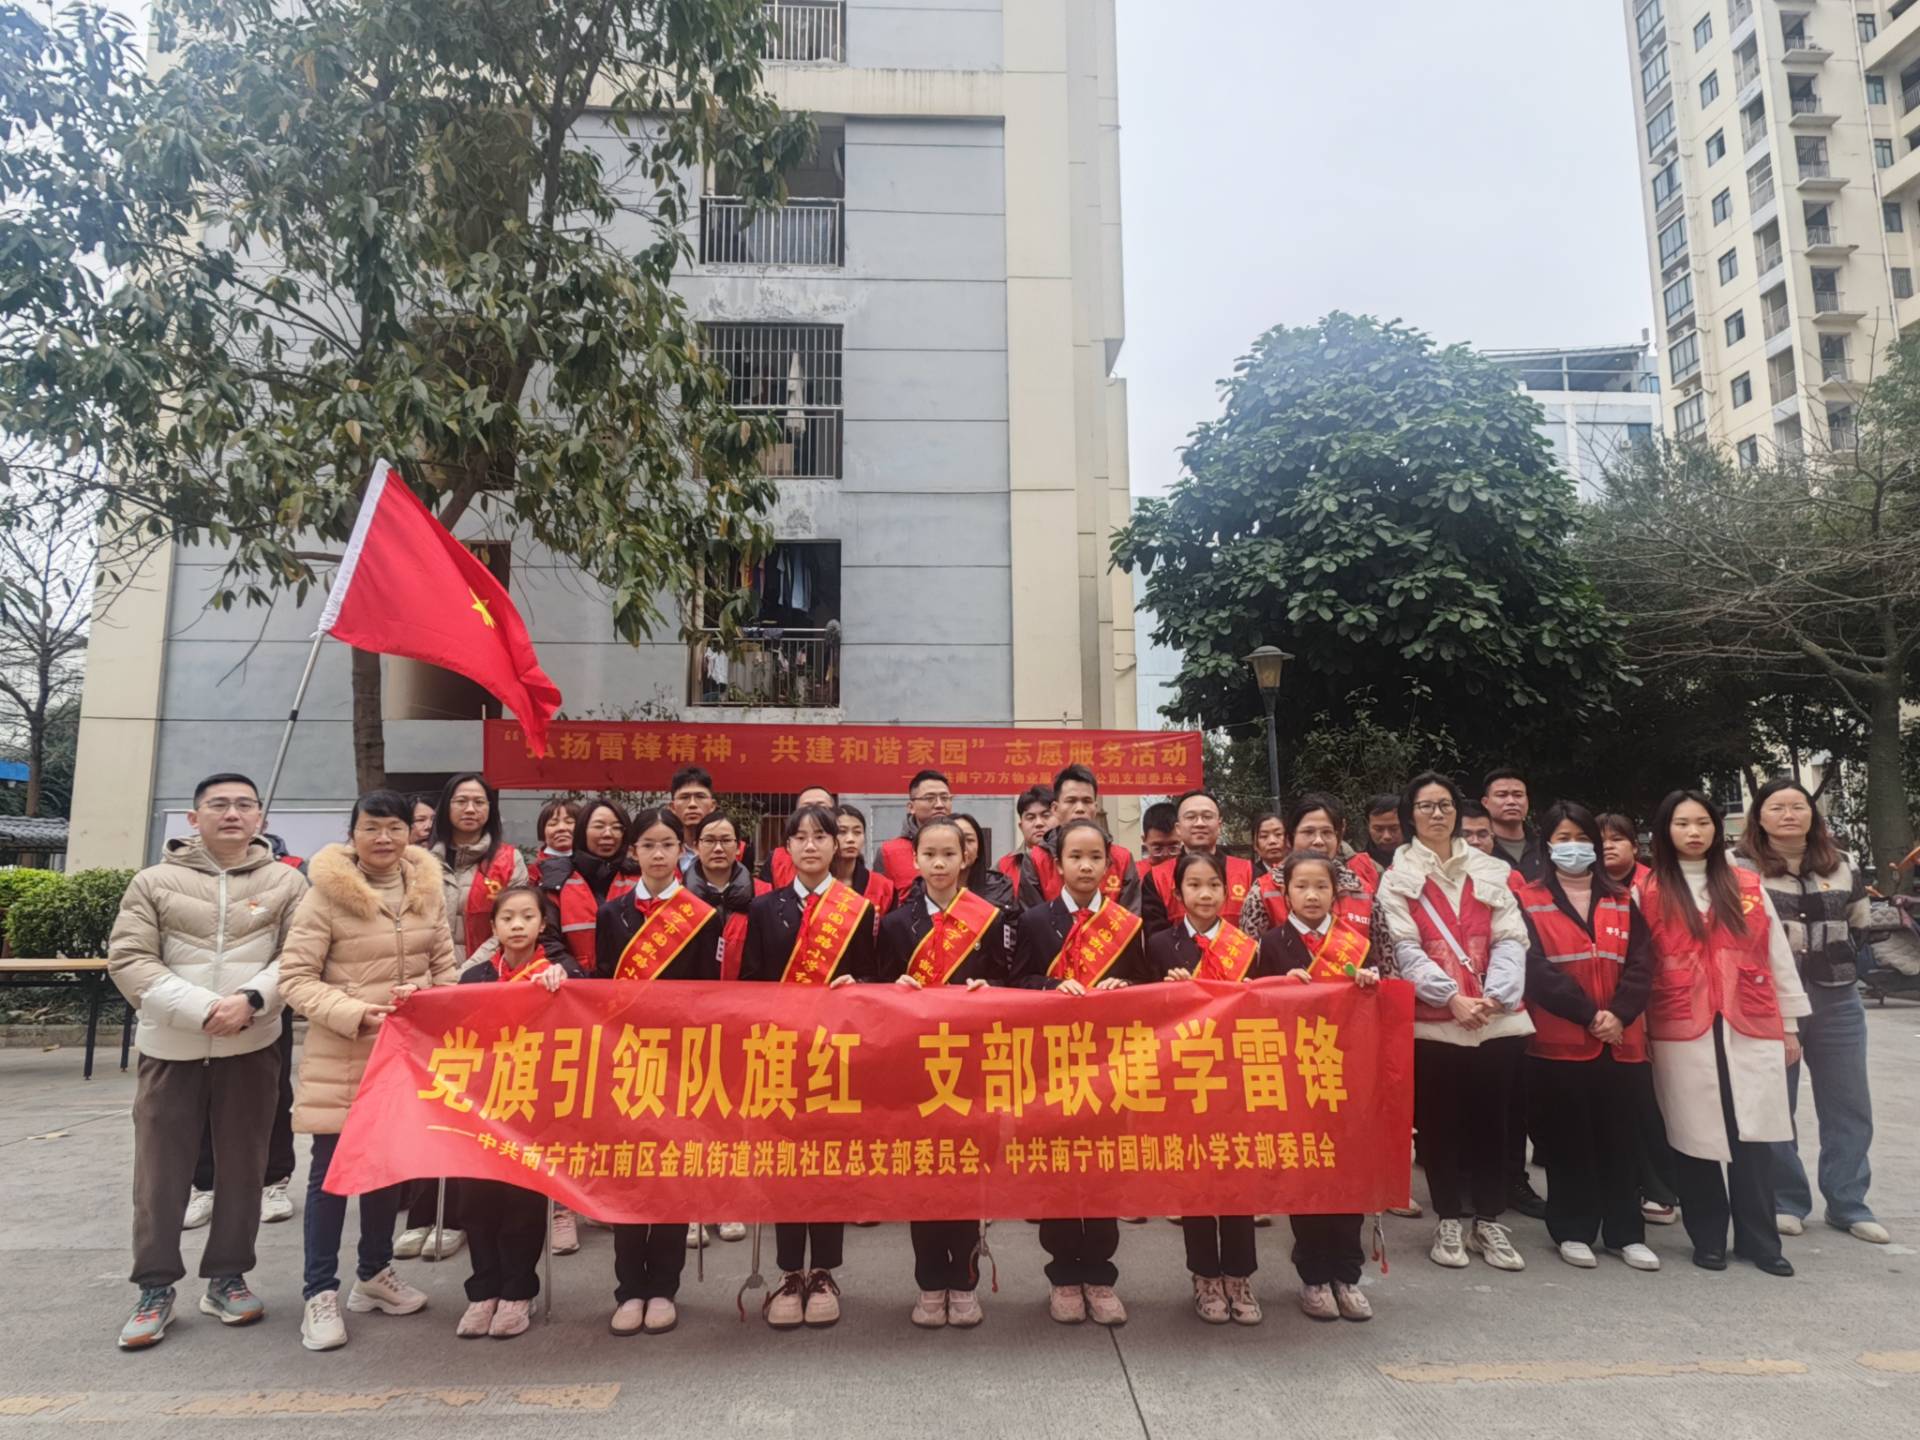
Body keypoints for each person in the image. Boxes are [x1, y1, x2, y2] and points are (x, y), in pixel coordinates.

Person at [107, 772, 310, 1350]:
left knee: (244, 1168)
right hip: (171, 1048)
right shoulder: (154, 882)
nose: (233, 814)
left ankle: (228, 1278)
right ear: (194, 819)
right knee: (160, 1173)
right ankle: (154, 1286)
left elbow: (298, 956)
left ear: (260, 818)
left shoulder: (286, 882)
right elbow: (130, 959)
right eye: (218, 805)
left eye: (245, 805)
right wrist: (201, 1009)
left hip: (251, 1044)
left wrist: (250, 1000)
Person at [279, 790, 456, 1351]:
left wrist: (426, 999)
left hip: (406, 1057)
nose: (384, 838)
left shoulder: (426, 892)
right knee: (332, 1176)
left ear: (411, 832)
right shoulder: (324, 896)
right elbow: (295, 979)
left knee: (388, 1168)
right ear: (353, 833)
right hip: (345, 1053)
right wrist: (354, 1012)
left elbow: (446, 970)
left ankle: (374, 1275)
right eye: (371, 828)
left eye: (394, 828)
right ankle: (318, 1292)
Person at [1641, 790, 1808, 1276]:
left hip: (1748, 1020)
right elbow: (1641, 965)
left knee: (1753, 1135)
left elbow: (1777, 956)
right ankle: (1708, 1237)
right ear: (1665, 831)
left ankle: (1761, 1241)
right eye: (1681, 824)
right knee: (1693, 1135)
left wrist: (1790, 1026)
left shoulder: (1747, 885)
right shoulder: (1648, 890)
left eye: (1702, 823)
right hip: (1680, 1024)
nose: (1693, 832)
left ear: (1717, 829)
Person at [1376, 771, 1534, 1274]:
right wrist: (1450, 999)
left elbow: (1512, 937)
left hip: (1496, 1020)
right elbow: (1402, 948)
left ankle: (1488, 1220)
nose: (1437, 814)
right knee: (1440, 1127)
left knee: (1494, 1124)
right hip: (1434, 1024)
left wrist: (1495, 996)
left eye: (1444, 805)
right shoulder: (1396, 877)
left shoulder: (1490, 869)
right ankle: (1448, 1218)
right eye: (1426, 806)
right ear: (1411, 815)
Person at [740, 804, 879, 1330]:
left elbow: (873, 978)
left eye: (821, 836)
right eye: (799, 837)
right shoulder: (763, 908)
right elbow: (750, 982)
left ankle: (822, 1271)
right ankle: (787, 1272)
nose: (811, 845)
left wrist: (857, 987)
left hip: (835, 1055)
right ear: (786, 848)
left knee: (827, 1161)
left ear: (836, 844)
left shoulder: (857, 909)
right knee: (784, 1163)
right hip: (780, 1053)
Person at [1009, 817, 1149, 1327]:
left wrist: (1124, 990)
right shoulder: (1034, 921)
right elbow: (1016, 983)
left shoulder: (1126, 925)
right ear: (1057, 864)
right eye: (1075, 857)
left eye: (1095, 858)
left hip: (1109, 1068)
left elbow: (1148, 990)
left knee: (1103, 1170)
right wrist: (1051, 988)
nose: (1086, 866)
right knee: (1057, 1171)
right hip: (1052, 1067)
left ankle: (1101, 1275)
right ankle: (1063, 1275)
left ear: (1110, 865)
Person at [1735, 780, 1887, 1245]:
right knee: (1778, 1103)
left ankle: (1849, 1202)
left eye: (1798, 806)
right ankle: (1786, 1200)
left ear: (1811, 814)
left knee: (1848, 1103)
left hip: (1837, 997)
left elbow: (1859, 924)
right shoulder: (1739, 867)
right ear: (1759, 816)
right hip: (1769, 1002)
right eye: (1776, 807)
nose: (1788, 815)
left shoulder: (1842, 865)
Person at [1515, 802, 1660, 1273]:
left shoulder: (1621, 898)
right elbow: (1534, 968)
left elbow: (1642, 963)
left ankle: (1625, 1233)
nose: (1573, 847)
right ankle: (1573, 1229)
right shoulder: (1529, 900)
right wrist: (1588, 1014)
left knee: (1621, 1139)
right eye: (1563, 839)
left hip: (1620, 1042)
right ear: (1547, 845)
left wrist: (1618, 1015)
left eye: (1581, 839)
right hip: (1559, 1042)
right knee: (1568, 1141)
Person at [594, 807, 724, 1334]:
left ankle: (664, 1286)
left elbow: (708, 992)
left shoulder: (703, 915)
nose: (657, 854)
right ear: (634, 851)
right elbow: (604, 984)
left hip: (680, 1060)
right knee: (628, 1174)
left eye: (667, 844)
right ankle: (629, 1288)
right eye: (647, 845)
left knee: (671, 1173)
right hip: (626, 1058)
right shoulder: (613, 914)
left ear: (681, 851)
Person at [878, 817, 1001, 1330]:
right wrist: (896, 988)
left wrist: (988, 988)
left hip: (970, 1066)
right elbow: (875, 989)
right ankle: (930, 1282)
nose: (940, 863)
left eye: (949, 853)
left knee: (967, 1175)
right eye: (929, 854)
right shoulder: (894, 924)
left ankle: (965, 1283)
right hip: (917, 1069)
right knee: (924, 1177)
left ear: (965, 857)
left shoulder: (988, 919)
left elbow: (1010, 984)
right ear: (915, 860)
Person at [1254, 851, 1382, 1322]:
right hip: (1295, 1077)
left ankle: (1347, 1274)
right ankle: (1312, 1276)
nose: (1312, 895)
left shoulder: (1356, 944)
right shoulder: (1271, 944)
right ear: (1285, 893)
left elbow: (1380, 1007)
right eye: (1302, 886)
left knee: (1347, 1178)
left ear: (1336, 893)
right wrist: (1278, 984)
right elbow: (1251, 1006)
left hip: (1347, 1077)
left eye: (1321, 887)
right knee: (1307, 1177)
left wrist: (1370, 983)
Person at [1147, 851, 1263, 1325]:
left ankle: (1239, 1275)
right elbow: (1140, 1012)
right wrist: (1168, 989)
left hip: (1236, 1080)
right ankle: (1205, 1276)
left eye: (1214, 884)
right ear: (1178, 893)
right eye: (1194, 885)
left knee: (1237, 1181)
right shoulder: (1159, 944)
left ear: (1228, 890)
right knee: (1196, 1182)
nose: (1205, 894)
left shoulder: (1247, 946)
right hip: (1185, 1080)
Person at [452, 885, 573, 1339]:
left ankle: (519, 1291)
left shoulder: (561, 973)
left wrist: (562, 986)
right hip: (480, 1110)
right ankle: (483, 1290)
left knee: (522, 1203)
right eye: (507, 918)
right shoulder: (474, 978)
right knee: (476, 1202)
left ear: (543, 924)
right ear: (493, 926)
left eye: (527, 917)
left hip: (532, 1108)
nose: (517, 925)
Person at [1597, 812, 1679, 1229]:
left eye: (1617, 838)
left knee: (1654, 1106)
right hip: (1602, 1015)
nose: (1608, 846)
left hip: (1658, 1007)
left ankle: (1662, 1189)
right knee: (1618, 1107)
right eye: (1600, 840)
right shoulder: (1584, 887)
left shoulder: (1655, 885)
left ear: (1635, 844)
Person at [1241, 794, 1383, 945]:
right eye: (1308, 832)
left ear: (1338, 838)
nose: (1318, 841)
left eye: (1327, 832)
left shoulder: (1363, 891)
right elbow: (1250, 956)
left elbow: (1383, 956)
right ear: (1289, 839)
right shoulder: (1263, 891)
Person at [1014, 764, 1143, 913]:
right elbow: (1033, 920)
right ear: (1055, 808)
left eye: (1087, 801)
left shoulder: (1122, 859)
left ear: (1095, 808)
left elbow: (1130, 920)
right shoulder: (1036, 860)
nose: (1080, 808)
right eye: (1071, 801)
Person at [537, 798, 638, 975]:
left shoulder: (640, 877)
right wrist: (578, 976)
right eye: (599, 826)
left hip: (634, 983)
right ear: (582, 831)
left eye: (616, 827)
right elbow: (547, 940)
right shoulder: (557, 880)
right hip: (575, 984)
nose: (608, 834)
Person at [1142, 790, 1254, 937]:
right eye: (1190, 817)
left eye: (1207, 816)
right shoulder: (1156, 878)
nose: (1199, 823)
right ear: (1178, 828)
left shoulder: (1248, 872)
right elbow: (1156, 939)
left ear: (1219, 825)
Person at [687, 810, 762, 984]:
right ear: (696, 846)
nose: (718, 848)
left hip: (747, 993)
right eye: (709, 841)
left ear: (738, 847)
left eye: (726, 840)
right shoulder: (678, 897)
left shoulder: (762, 894)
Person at [877, 769, 954, 889]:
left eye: (945, 798)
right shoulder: (889, 852)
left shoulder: (964, 844)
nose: (939, 805)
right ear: (911, 807)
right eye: (930, 798)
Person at [759, 785, 837, 886]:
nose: (813, 813)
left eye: (822, 808)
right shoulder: (777, 860)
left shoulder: (848, 856)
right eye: (806, 808)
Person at [831, 803, 898, 920]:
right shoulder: (815, 883)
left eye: (857, 832)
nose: (851, 839)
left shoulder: (883, 887)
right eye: (842, 832)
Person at [1481, 768, 1546, 882]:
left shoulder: (1544, 846)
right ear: (1485, 803)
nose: (1511, 801)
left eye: (1518, 795)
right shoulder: (1477, 846)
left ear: (1527, 801)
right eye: (1502, 795)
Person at [999, 784, 1055, 883]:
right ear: (1021, 826)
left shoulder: (1069, 859)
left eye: (1045, 815)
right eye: (1031, 817)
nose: (1038, 823)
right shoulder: (1003, 866)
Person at [1353, 795, 1404, 889]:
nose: (1387, 836)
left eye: (1394, 829)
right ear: (1367, 825)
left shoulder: (1423, 861)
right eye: (1378, 829)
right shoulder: (1357, 866)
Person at [1140, 801, 1179, 867]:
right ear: (1144, 840)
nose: (1166, 854)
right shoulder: (1136, 872)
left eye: (1173, 848)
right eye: (1158, 848)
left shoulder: (1192, 870)